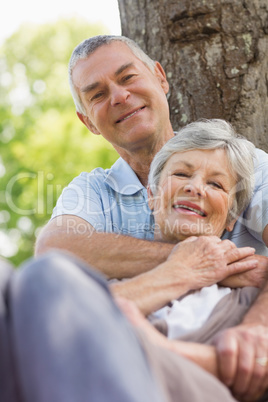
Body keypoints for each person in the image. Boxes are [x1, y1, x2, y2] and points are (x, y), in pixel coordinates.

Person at [35, 35, 268, 395]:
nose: (118, 97)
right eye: (97, 94)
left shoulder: (243, 165)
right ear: (88, 122)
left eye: (127, 77)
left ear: (160, 77)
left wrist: (256, 331)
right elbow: (54, 251)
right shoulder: (93, 192)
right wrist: (198, 266)